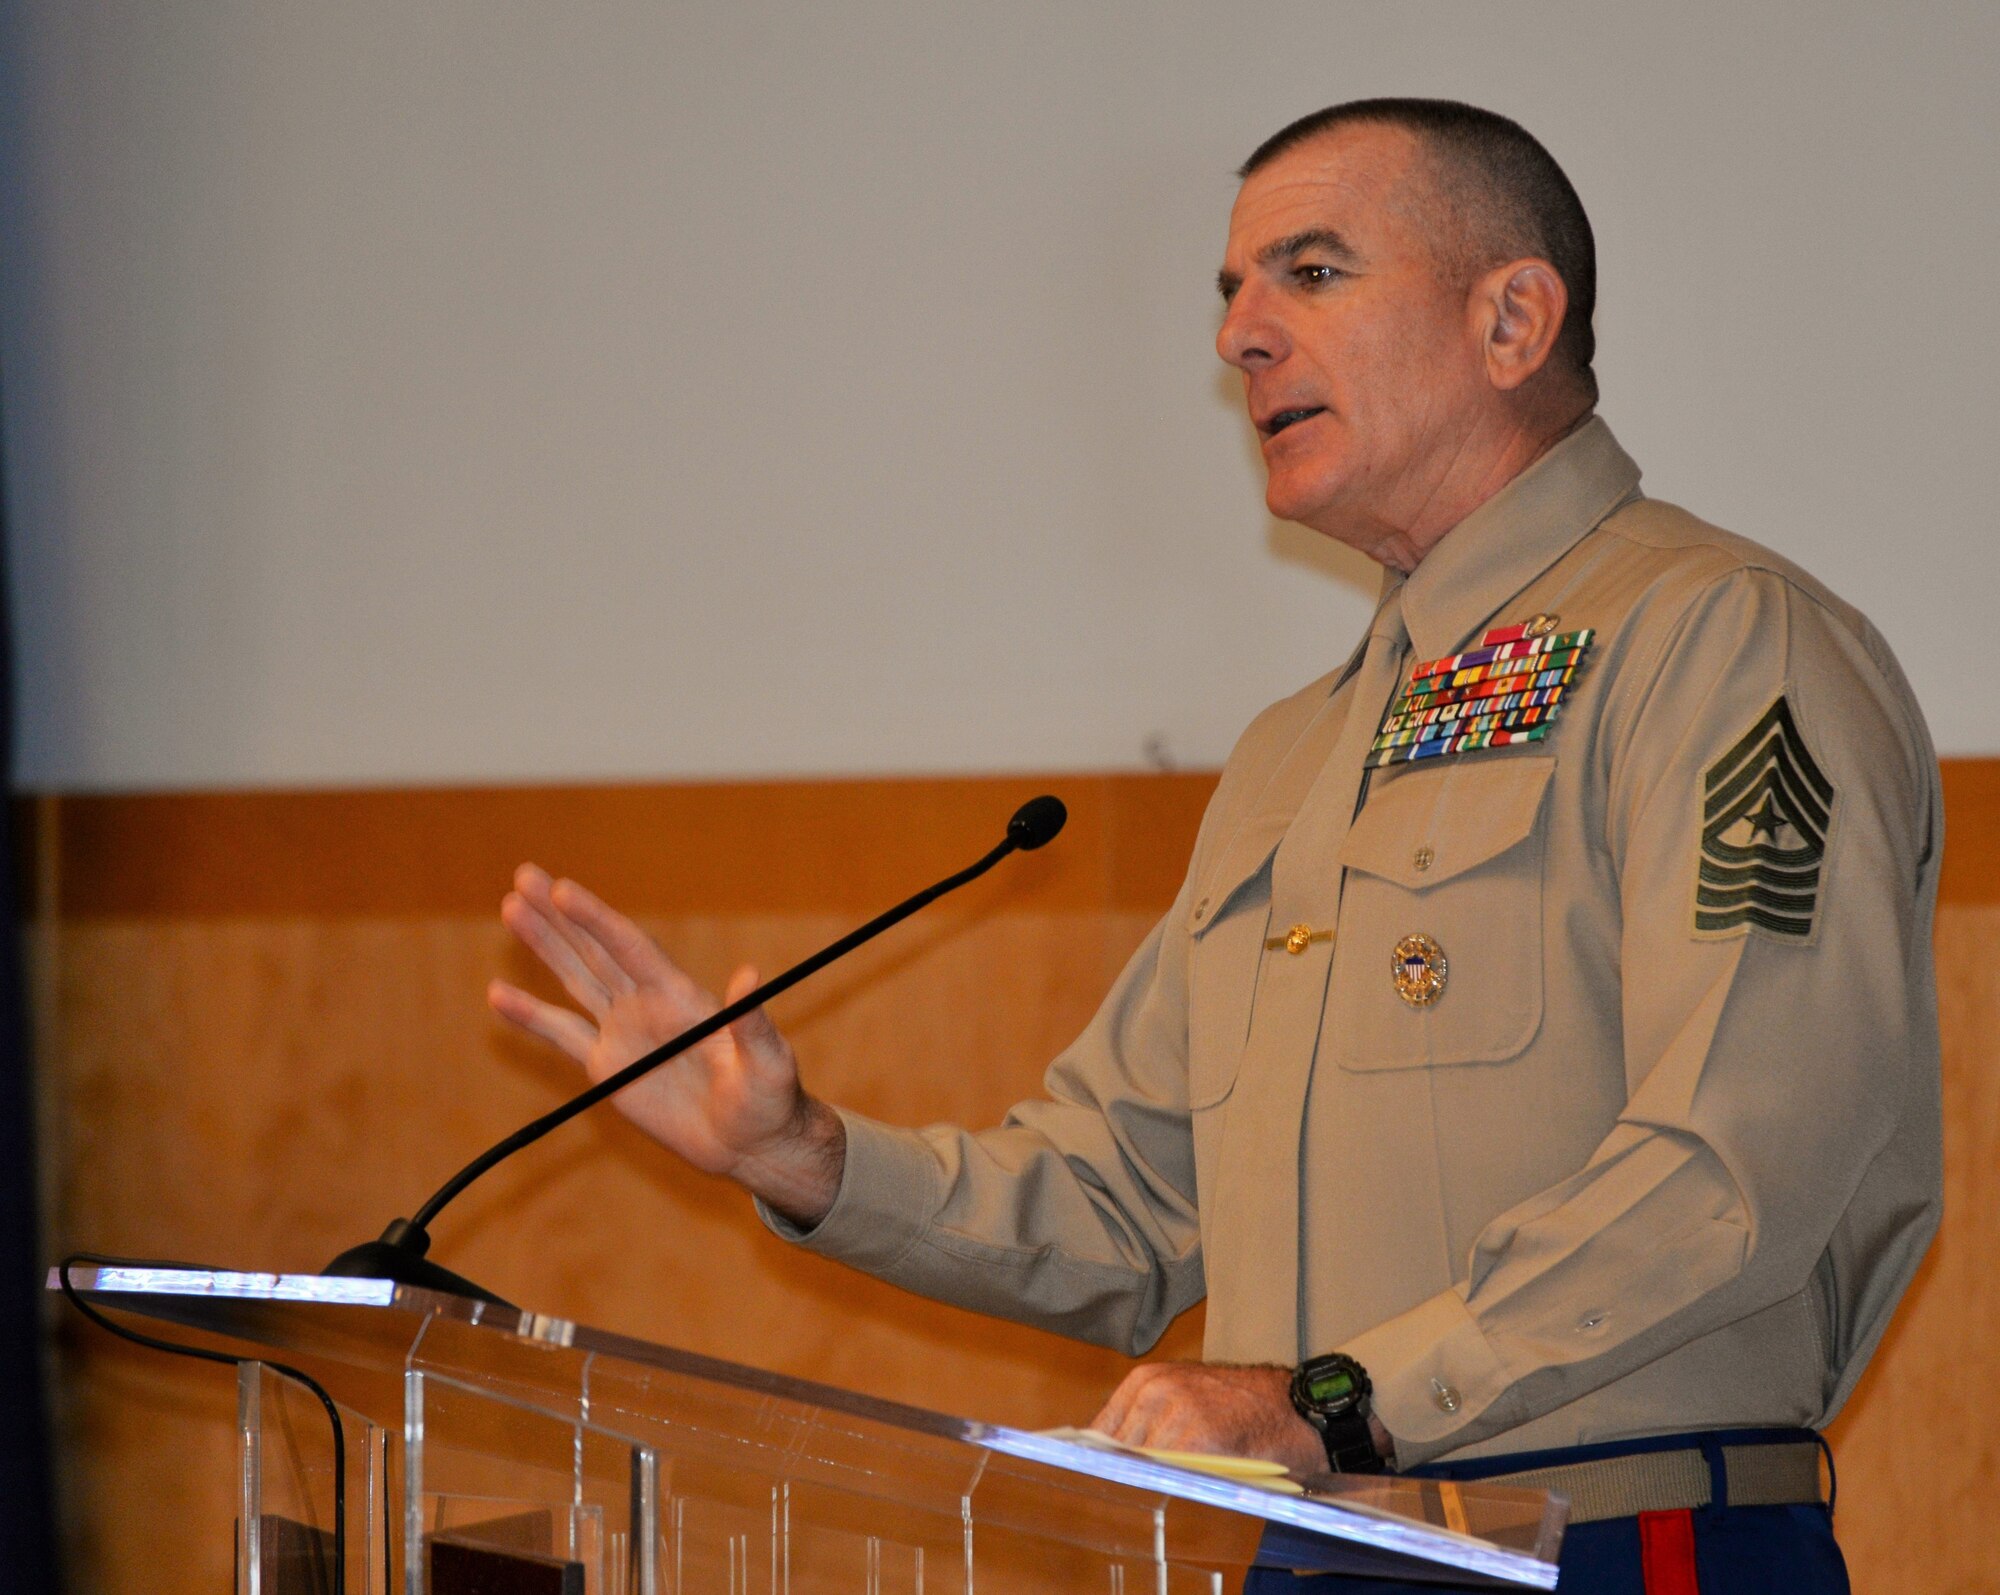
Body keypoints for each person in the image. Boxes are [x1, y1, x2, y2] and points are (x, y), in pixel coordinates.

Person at [488, 100, 1940, 1593]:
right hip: (1311, 1544)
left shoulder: (1722, 648)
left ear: (1513, 318)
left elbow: (1732, 1167)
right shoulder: (1294, 756)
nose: (1242, 337)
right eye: (1232, 296)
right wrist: (802, 1157)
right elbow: (1122, 1198)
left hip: (1623, 1547)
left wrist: (1330, 1402)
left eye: (1309, 276)